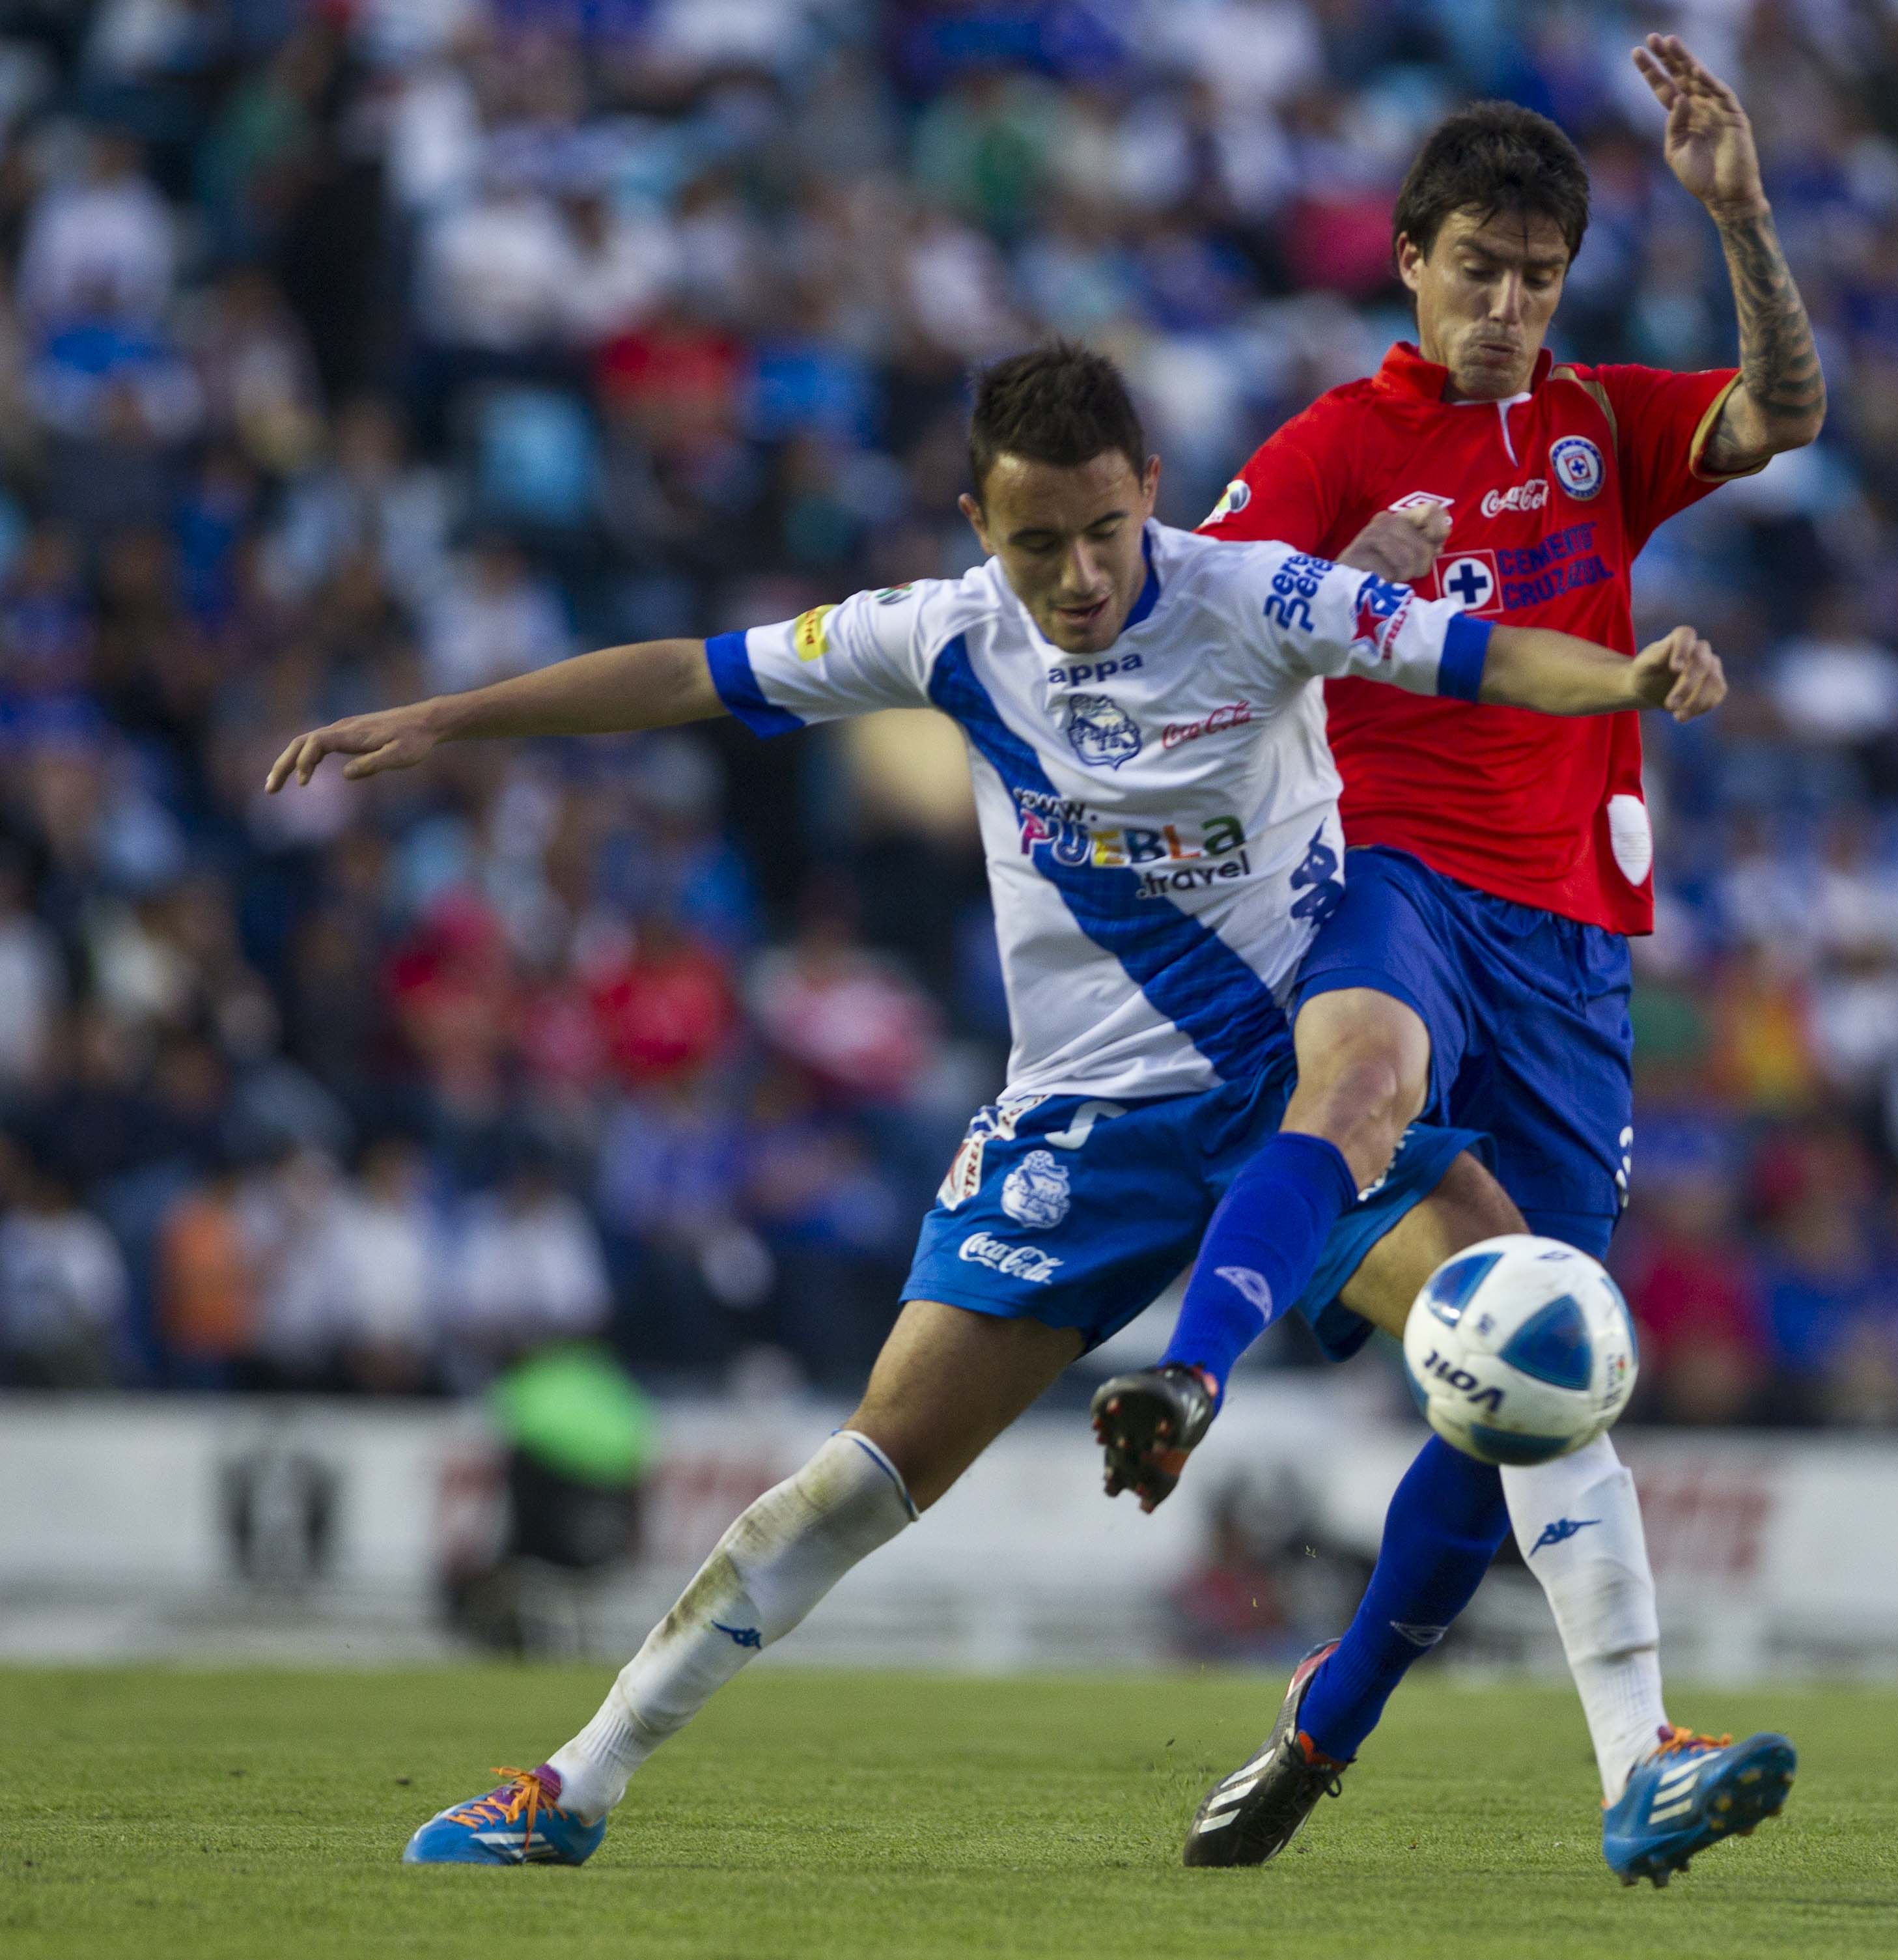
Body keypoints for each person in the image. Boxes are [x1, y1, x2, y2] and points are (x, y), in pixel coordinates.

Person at [262, 342, 1735, 1869]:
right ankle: (571, 1785)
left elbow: (1488, 655)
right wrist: (449, 718)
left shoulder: (1255, 594)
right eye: (1039, 543)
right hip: (1084, 1123)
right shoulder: (945, 636)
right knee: (865, 1469)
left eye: (1104, 532)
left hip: (1290, 1091)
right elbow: (692, 673)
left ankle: (1641, 1761)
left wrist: (1626, 678)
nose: (1082, 574)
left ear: (1150, 494)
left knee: (1530, 1316)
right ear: (980, 520)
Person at [1090, 38, 1823, 1880]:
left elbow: (1785, 410)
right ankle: (1189, 1371)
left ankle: (1325, 1729)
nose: (1506, 309)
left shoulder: (1597, 428)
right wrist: (1344, 578)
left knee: (1541, 1375)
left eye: (1538, 279)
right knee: (1359, 1080)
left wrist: (1739, 216)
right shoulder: (1332, 447)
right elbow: (1186, 659)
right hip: (1391, 874)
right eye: (1476, 272)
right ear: (1408, 262)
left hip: (1574, 936)